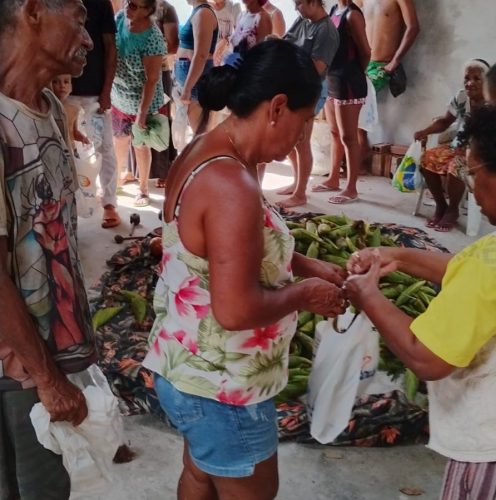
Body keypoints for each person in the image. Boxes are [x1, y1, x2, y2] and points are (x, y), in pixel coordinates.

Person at [143, 39, 347, 500]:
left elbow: (221, 249)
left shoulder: (208, 150)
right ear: (277, 107)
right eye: (304, 122)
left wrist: (301, 262)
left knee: (201, 475)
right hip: (222, 386)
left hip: (187, 366)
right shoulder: (231, 183)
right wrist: (305, 294)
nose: (302, 137)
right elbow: (234, 310)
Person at [344, 104, 496, 500]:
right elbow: (467, 272)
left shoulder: (490, 264)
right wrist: (398, 256)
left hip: (489, 450)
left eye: (472, 172)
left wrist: (369, 296)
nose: (470, 186)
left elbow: (426, 357)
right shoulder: (488, 259)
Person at [0, 1, 97, 498]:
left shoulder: (51, 108)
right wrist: (44, 376)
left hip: (48, 355)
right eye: (79, 19)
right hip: (17, 368)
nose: (89, 40)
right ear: (34, 11)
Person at [276, 0, 339, 208]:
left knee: (302, 141)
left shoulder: (326, 30)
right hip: (293, 87)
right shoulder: (302, 20)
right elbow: (285, 43)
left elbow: (317, 68)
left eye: (299, 3)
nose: (296, 8)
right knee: (291, 140)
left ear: (313, 2)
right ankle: (296, 183)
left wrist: (289, 58)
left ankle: (301, 193)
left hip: (310, 90)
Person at [414, 59, 489, 232]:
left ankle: (453, 210)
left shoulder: (494, 103)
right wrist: (425, 131)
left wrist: (472, 149)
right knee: (427, 158)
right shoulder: (461, 97)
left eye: (476, 79)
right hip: (458, 147)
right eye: (467, 78)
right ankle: (441, 205)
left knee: (457, 165)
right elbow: (445, 121)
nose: (470, 83)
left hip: (482, 154)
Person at [312, 0, 370, 204]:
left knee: (349, 137)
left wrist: (354, 72)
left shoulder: (353, 15)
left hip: (349, 81)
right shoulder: (335, 10)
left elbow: (366, 52)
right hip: (332, 80)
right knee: (335, 133)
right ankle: (333, 178)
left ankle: (351, 188)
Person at [70, 0, 121, 228]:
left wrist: (106, 90)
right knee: (66, 150)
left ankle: (109, 203)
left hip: (95, 94)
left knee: (104, 148)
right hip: (64, 92)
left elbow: (110, 47)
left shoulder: (101, 3)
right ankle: (69, 204)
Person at [111, 0, 166, 207]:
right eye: (128, 2)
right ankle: (118, 178)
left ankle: (143, 189)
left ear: (148, 10)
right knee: (119, 138)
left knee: (140, 145)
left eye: (134, 6)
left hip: (142, 100)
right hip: (119, 95)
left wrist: (142, 115)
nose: (128, 7)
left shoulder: (153, 38)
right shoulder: (120, 18)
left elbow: (151, 80)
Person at [354, 0, 419, 162]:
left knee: (355, 104)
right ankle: (359, 153)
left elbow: (413, 27)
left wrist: (395, 61)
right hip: (360, 62)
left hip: (381, 65)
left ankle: (361, 153)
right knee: (349, 107)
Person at [176, 0, 219, 132]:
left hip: (196, 83)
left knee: (199, 132)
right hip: (192, 80)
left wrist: (187, 89)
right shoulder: (198, 11)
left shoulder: (203, 13)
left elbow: (201, 55)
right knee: (197, 130)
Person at [152, 0, 179, 188]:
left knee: (160, 120)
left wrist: (149, 55)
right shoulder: (131, 5)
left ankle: (164, 170)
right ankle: (139, 171)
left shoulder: (166, 9)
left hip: (160, 71)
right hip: (136, 72)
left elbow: (173, 45)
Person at [52, 74, 90, 150]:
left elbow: (74, 133)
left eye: (66, 82)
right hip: (55, 150)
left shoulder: (74, 109)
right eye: (55, 82)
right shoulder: (47, 110)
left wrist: (82, 138)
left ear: (71, 87)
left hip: (71, 149)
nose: (62, 86)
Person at [211, 0, 241, 65]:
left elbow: (239, 34)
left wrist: (225, 41)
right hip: (208, 52)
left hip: (227, 51)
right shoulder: (204, 6)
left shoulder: (234, 6)